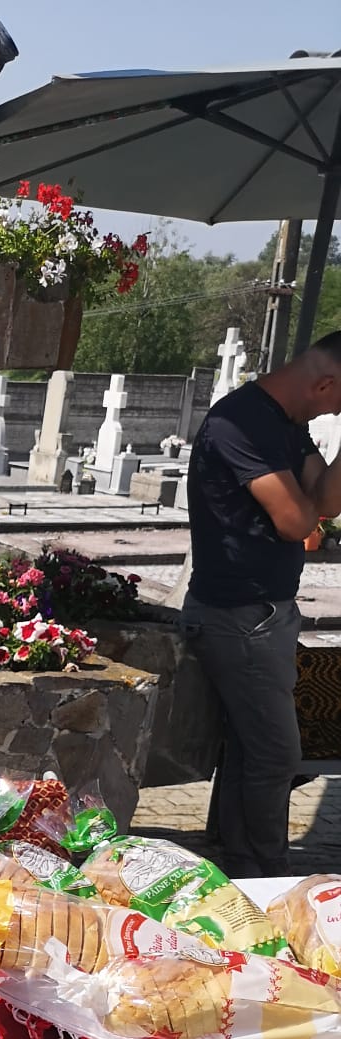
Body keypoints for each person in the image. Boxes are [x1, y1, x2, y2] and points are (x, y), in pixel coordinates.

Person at [184, 331, 341, 878]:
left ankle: (243, 866)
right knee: (276, 756)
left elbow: (326, 502)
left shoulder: (285, 422)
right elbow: (297, 521)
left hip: (263, 614)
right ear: (324, 384)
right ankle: (269, 874)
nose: (335, 412)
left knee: (252, 751)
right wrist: (308, 505)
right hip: (239, 616)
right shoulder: (240, 423)